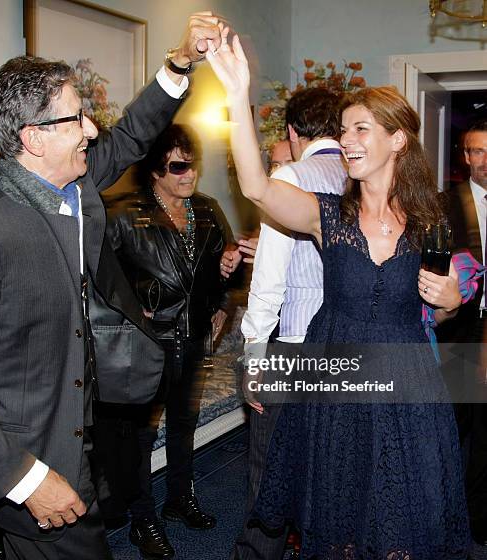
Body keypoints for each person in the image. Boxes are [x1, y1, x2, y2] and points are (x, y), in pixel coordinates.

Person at [0, 14, 224, 560]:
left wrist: (178, 63)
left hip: (83, 422)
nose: (92, 130)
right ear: (33, 138)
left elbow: (129, 136)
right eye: (78, 119)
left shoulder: (68, 181)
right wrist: (25, 478)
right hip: (37, 460)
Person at [207, 32, 470, 559]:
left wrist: (451, 301)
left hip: (404, 383)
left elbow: (435, 315)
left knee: (399, 519)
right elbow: (257, 187)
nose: (347, 139)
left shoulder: (428, 222)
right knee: (340, 518)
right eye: (344, 129)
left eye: (361, 129)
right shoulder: (330, 215)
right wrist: (237, 98)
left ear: (398, 140)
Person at [105, 123, 233, 559]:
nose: (188, 173)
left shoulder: (209, 209)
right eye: (177, 166)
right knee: (141, 438)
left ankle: (179, 498)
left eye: (191, 162)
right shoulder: (124, 214)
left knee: (183, 427)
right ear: (156, 170)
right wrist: (127, 309)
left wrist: (221, 298)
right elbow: (98, 278)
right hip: (147, 345)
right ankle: (143, 520)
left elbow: (218, 269)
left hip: (194, 338)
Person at [231, 87, 348, 560]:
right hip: (348, 350)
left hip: (297, 346)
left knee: (269, 475)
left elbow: (270, 280)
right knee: (334, 472)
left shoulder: (291, 175)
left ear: (294, 134)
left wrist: (254, 357)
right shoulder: (363, 175)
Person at [437, 117, 487, 545]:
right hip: (460, 330)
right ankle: (444, 517)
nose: (483, 161)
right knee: (452, 427)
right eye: (476, 151)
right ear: (465, 156)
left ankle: (478, 521)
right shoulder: (443, 203)